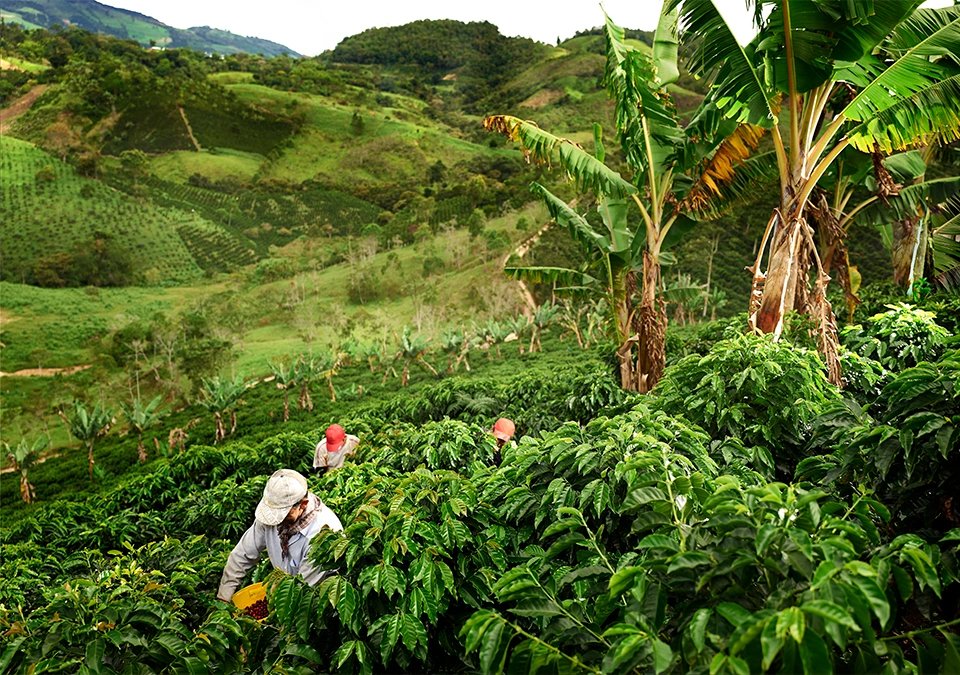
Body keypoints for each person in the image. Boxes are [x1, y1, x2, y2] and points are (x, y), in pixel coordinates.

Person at [217, 469, 343, 603]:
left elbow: (302, 590)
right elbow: (242, 555)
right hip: (284, 595)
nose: (277, 521)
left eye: (283, 514)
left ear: (303, 504)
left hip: (312, 604)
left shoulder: (322, 534)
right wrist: (223, 598)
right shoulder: (268, 517)